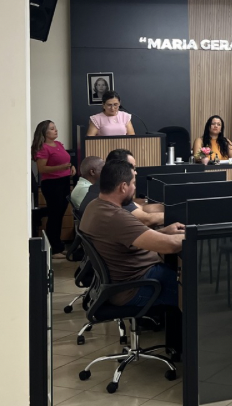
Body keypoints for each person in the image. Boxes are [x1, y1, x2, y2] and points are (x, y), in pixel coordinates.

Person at [79, 159, 184, 354]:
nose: (135, 188)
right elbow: (170, 246)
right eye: (133, 183)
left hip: (124, 282)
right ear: (123, 186)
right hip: (137, 287)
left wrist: (165, 231)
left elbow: (135, 236)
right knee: (197, 288)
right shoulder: (115, 217)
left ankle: (179, 345)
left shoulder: (96, 206)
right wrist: (196, 233)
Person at [80, 149, 164, 226]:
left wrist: (165, 207)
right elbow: (146, 220)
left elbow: (141, 208)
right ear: (120, 168)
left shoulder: (101, 185)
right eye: (131, 167)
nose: (135, 172)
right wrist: (170, 214)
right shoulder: (113, 194)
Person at [32, 120, 76, 259]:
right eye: (51, 129)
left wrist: (71, 167)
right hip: (52, 184)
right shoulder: (43, 148)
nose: (55, 130)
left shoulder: (58, 144)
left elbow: (65, 161)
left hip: (64, 181)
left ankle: (58, 245)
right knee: (55, 215)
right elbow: (42, 169)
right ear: (44, 132)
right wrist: (61, 168)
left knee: (60, 212)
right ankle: (54, 249)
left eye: (55, 127)